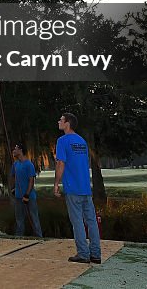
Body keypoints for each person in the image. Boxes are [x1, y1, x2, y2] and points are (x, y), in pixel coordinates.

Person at [54, 112, 101, 264]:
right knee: (91, 222)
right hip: (86, 188)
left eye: (61, 120)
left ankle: (83, 254)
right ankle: (96, 254)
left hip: (72, 188)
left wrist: (56, 183)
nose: (59, 121)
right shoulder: (82, 141)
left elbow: (61, 163)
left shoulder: (62, 141)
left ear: (67, 123)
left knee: (78, 222)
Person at [10, 144, 43, 238]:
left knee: (34, 217)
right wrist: (13, 188)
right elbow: (13, 176)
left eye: (15, 149)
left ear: (20, 150)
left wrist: (27, 195)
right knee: (19, 219)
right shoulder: (15, 164)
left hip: (30, 197)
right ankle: (19, 237)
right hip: (18, 196)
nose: (14, 151)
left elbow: (31, 181)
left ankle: (39, 237)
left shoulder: (29, 164)